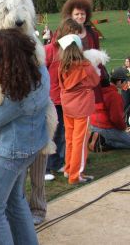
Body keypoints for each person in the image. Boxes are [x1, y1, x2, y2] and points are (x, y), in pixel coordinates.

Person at [0, 29, 50, 245]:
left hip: (10, 154)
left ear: (7, 59)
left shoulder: (16, 90)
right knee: (15, 202)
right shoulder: (40, 72)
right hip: (29, 147)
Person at [58, 34, 100, 184]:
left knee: (70, 138)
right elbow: (95, 80)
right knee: (80, 141)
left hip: (68, 106)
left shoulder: (62, 65)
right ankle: (76, 175)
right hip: (82, 106)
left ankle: (69, 168)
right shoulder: (86, 66)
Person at [44, 19, 82, 181]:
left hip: (65, 98)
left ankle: (57, 162)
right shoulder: (50, 50)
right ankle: (44, 168)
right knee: (48, 133)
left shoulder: (71, 52)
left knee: (61, 133)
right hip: (50, 98)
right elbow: (40, 72)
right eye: (73, 34)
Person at [90, 67, 130, 149]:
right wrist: (123, 128)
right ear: (119, 81)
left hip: (94, 126)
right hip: (107, 128)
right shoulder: (114, 95)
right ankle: (104, 143)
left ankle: (99, 138)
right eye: (126, 81)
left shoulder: (99, 90)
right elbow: (116, 118)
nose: (127, 83)